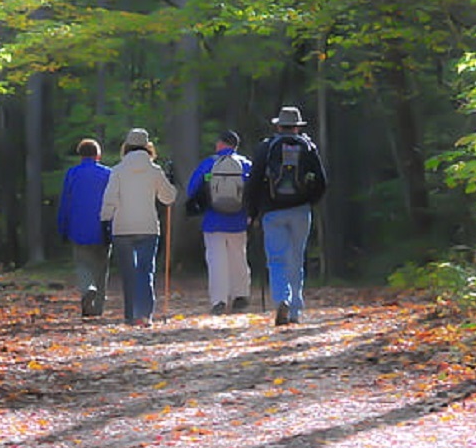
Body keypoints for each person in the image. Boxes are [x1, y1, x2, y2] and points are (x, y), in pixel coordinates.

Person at [245, 106, 327, 326]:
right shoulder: (308, 148)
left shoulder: (266, 148)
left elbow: (253, 182)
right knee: (296, 259)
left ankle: (283, 299)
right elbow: (321, 181)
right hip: (300, 211)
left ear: (279, 126)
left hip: (272, 212)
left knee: (277, 259)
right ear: (297, 127)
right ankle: (295, 312)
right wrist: (310, 200)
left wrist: (252, 212)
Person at [100, 128, 178, 327]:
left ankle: (130, 315)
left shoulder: (117, 170)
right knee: (145, 271)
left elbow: (110, 199)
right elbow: (168, 198)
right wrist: (171, 181)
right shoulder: (154, 170)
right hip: (148, 228)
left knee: (129, 273)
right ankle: (144, 315)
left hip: (122, 228)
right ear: (147, 146)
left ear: (126, 146)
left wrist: (105, 220)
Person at [186, 130, 252, 315]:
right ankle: (240, 295)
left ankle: (219, 300)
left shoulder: (209, 163)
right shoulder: (245, 164)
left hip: (213, 220)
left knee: (216, 261)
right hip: (238, 220)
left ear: (221, 144)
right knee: (238, 257)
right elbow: (255, 190)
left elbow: (192, 189)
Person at [57, 138, 113, 318]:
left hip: (78, 228)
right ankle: (98, 308)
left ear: (80, 155)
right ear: (98, 155)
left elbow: (65, 203)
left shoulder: (72, 174)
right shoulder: (107, 174)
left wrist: (62, 228)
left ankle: (88, 289)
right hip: (103, 228)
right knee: (102, 268)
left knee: (83, 264)